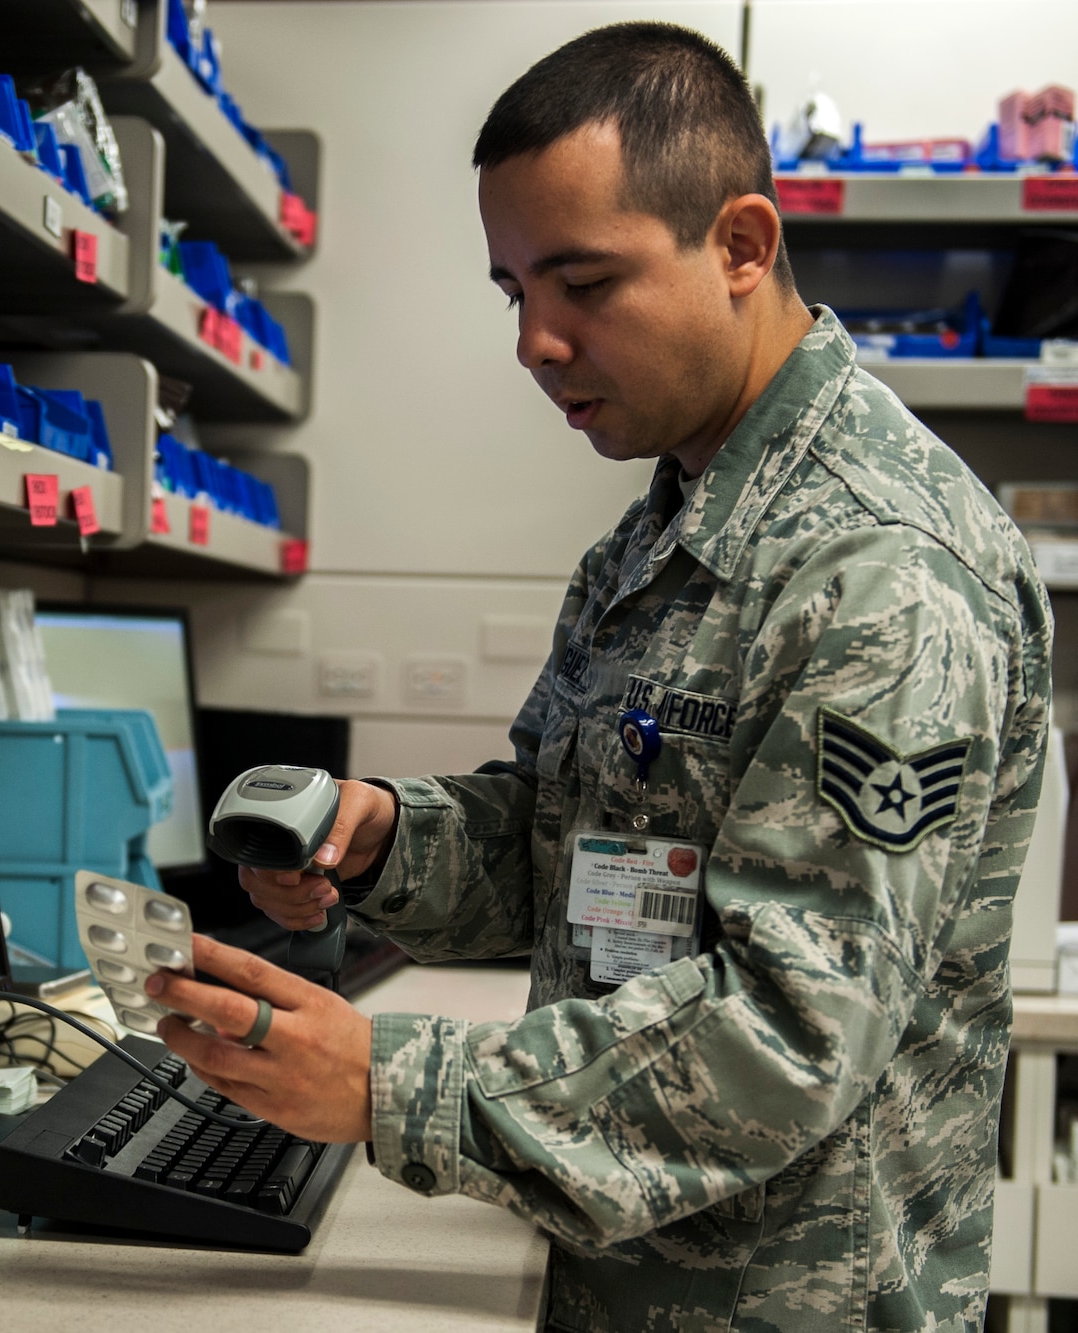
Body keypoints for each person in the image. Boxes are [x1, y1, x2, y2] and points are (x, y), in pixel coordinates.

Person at [144, 22, 1051, 1333]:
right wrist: (382, 840)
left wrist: (389, 1081)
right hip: (630, 1272)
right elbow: (580, 848)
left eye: (583, 283)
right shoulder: (665, 530)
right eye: (516, 292)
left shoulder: (879, 576)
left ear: (741, 246)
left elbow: (787, 1036)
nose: (536, 342)